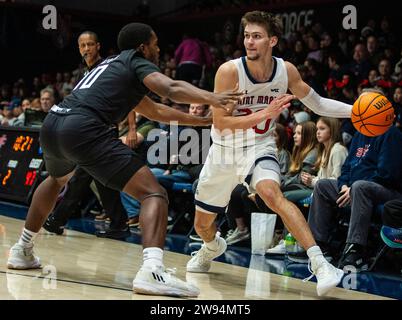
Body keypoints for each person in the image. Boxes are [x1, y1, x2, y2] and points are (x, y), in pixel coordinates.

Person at [6, 22, 246, 298]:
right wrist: (214, 98)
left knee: (56, 179)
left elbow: (153, 109)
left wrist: (200, 120)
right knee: (154, 194)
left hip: (53, 123)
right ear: (143, 47)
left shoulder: (111, 65)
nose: (158, 49)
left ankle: (22, 249)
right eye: (155, 43)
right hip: (83, 128)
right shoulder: (136, 60)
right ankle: (153, 271)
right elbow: (170, 87)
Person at [186, 11, 352, 297]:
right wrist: (266, 112)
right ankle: (212, 247)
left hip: (259, 146)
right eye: (247, 36)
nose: (249, 42)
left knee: (272, 193)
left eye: (257, 36)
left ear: (272, 40)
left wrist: (355, 111)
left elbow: (318, 103)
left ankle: (321, 264)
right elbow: (221, 123)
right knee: (202, 225)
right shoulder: (229, 72)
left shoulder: (285, 71)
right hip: (224, 152)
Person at [43, 31, 130, 239]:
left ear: (98, 46)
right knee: (101, 179)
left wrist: (133, 128)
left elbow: (129, 96)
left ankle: (57, 219)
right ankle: (119, 224)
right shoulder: (83, 73)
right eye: (83, 45)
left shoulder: (108, 67)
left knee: (81, 176)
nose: (86, 49)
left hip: (102, 130)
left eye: (90, 44)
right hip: (87, 131)